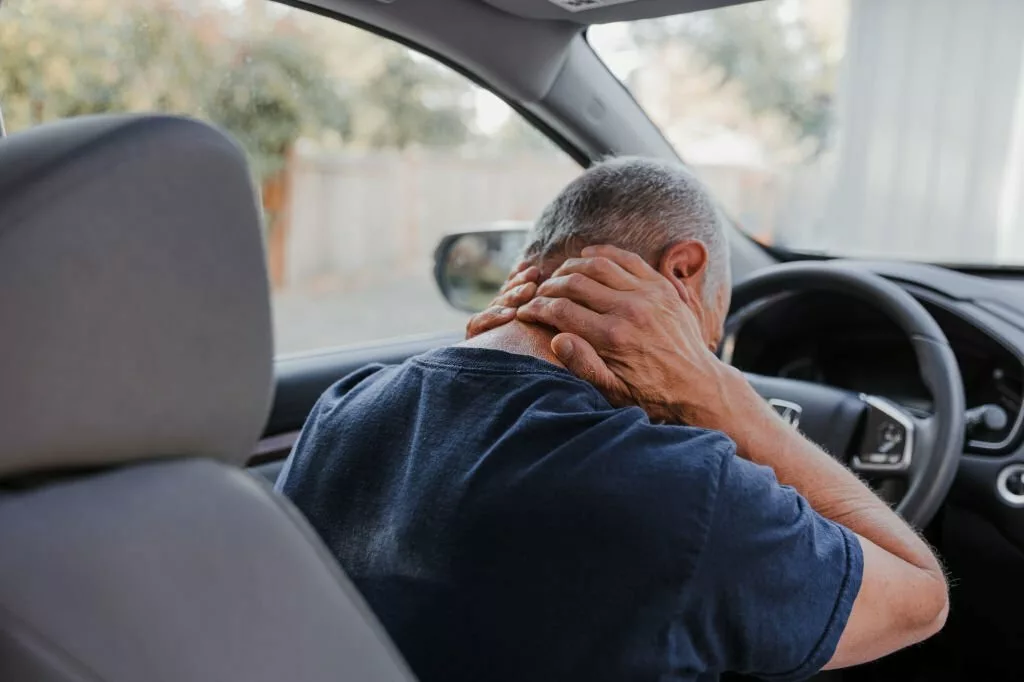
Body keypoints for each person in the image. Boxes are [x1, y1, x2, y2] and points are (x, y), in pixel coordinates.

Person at [277, 157, 948, 682]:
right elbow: (921, 599)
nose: (701, 361)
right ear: (683, 271)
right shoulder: (682, 491)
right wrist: (720, 397)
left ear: (527, 274)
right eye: (707, 340)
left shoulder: (346, 410)